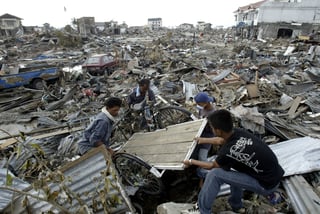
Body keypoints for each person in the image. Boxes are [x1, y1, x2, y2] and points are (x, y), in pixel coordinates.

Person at [183, 109, 285, 214]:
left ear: (218, 131)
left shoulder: (227, 152)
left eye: (212, 128)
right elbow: (221, 140)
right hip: (274, 176)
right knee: (232, 170)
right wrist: (203, 140)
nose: (212, 130)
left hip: (266, 185)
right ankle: (236, 205)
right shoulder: (237, 132)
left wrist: (191, 161)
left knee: (214, 175)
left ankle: (202, 210)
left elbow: (211, 165)